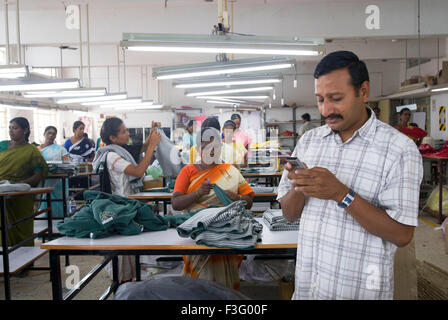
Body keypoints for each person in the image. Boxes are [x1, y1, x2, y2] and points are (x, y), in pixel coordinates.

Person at [277, 51, 423, 300]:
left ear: (363, 92)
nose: (326, 110)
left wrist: (341, 194)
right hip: (307, 290)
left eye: (335, 98)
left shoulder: (399, 150)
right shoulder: (310, 141)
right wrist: (299, 186)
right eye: (320, 99)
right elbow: (289, 214)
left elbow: (402, 235)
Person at [172, 126, 254, 289]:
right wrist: (197, 194)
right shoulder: (188, 171)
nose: (211, 151)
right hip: (197, 234)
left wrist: (237, 197)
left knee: (225, 285)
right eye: (206, 147)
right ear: (198, 148)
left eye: (215, 147)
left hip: (226, 234)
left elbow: (250, 201)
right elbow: (176, 203)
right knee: (199, 286)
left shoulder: (230, 170)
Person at [92, 117, 161, 283]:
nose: (127, 133)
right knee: (122, 248)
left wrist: (153, 133)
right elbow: (138, 172)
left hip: (128, 205)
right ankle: (121, 283)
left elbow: (142, 147)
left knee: (130, 247)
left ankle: (128, 282)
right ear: (113, 138)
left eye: (126, 129)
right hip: (120, 208)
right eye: (123, 131)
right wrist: (152, 147)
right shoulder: (112, 156)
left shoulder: (121, 149)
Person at [0, 117, 48, 247]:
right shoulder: (2, 146)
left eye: (15, 128)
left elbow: (38, 175)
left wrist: (19, 184)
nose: (11, 131)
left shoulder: (32, 151)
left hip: (20, 195)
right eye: (10, 128)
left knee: (21, 224)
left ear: (25, 130)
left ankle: (24, 256)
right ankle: (4, 260)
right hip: (1, 190)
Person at [37, 126, 69, 218]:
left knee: (58, 199)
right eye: (49, 133)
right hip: (43, 178)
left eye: (53, 134)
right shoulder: (37, 150)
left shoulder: (61, 149)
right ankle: (46, 217)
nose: (51, 135)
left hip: (58, 180)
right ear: (44, 134)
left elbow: (66, 164)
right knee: (45, 197)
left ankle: (60, 217)